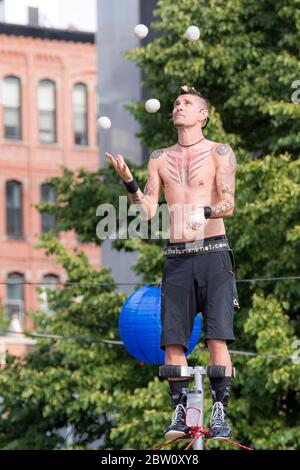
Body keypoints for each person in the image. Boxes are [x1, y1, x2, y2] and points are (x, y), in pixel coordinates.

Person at [105, 85, 240, 441]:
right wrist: (128, 181)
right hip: (178, 256)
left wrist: (205, 210)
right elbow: (148, 210)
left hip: (213, 251)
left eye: (187, 103)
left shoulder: (219, 152)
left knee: (217, 338)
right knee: (172, 342)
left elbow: (229, 203)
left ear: (202, 115)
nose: (179, 107)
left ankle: (220, 413)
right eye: (176, 103)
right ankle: (180, 412)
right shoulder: (159, 157)